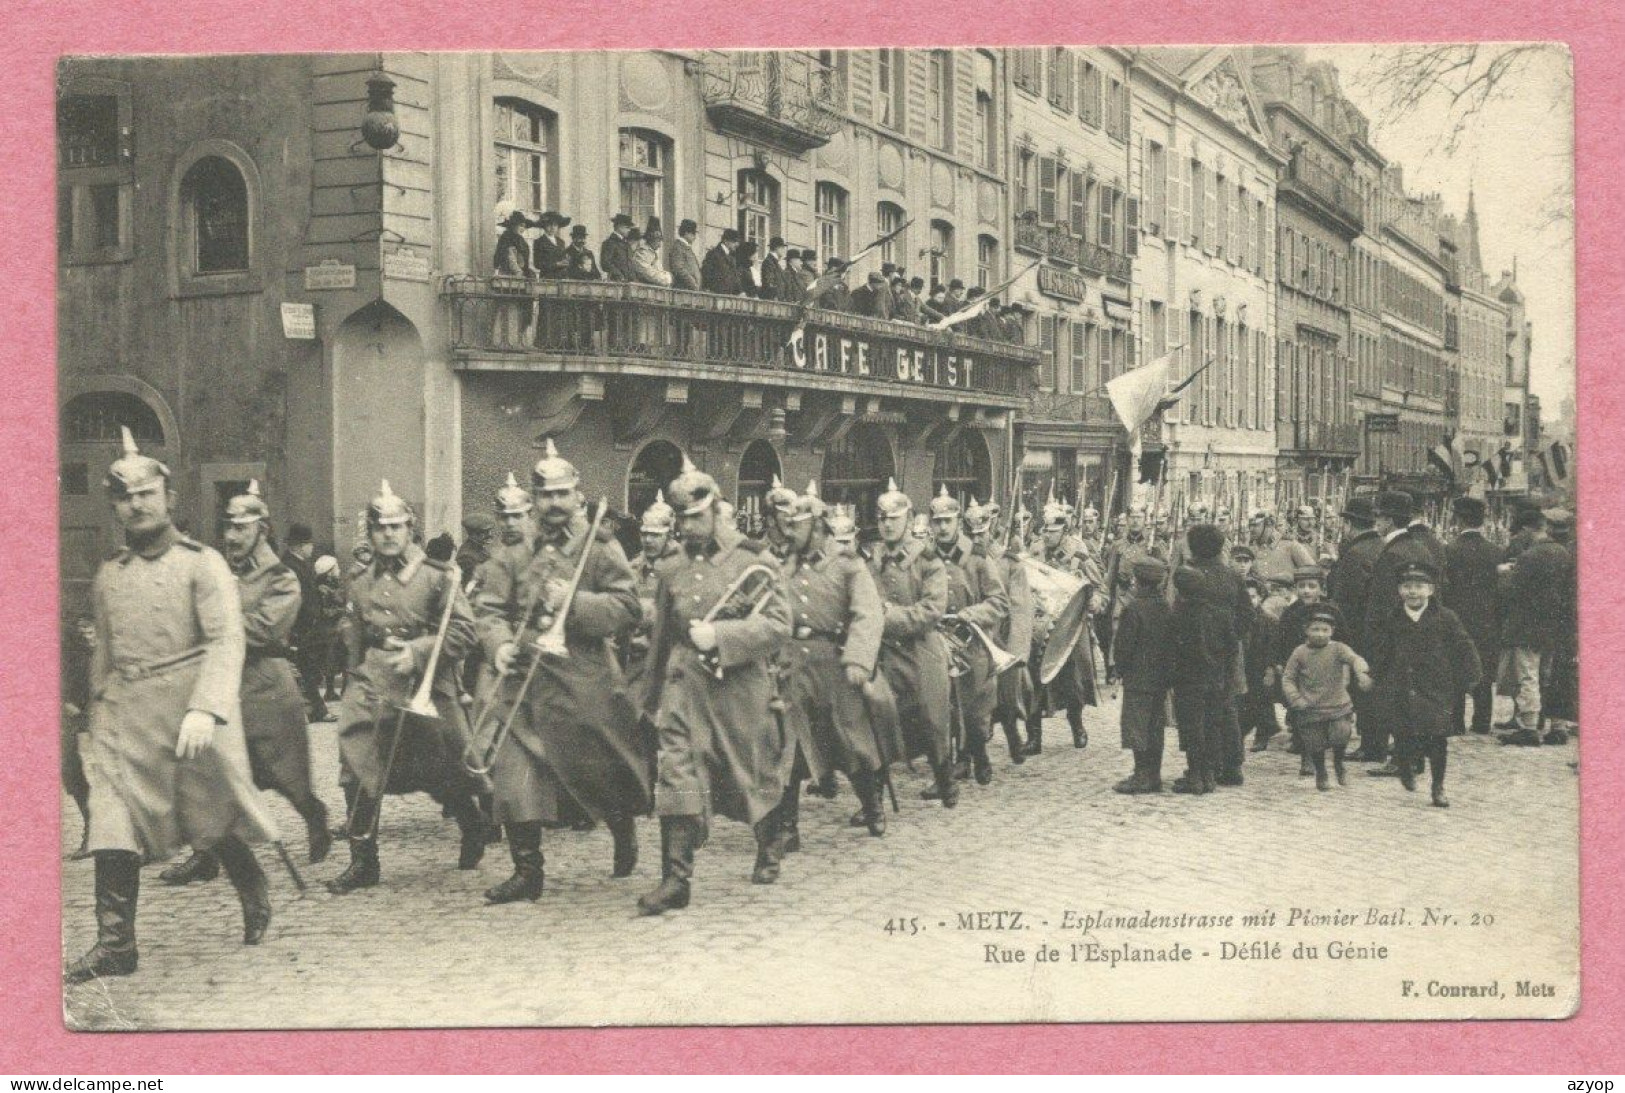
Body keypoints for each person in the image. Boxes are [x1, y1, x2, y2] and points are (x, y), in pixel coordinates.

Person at [66, 430, 280, 984]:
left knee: (210, 816)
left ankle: (249, 881)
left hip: (188, 711)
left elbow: (226, 640)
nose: (136, 504)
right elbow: (106, 653)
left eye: (146, 493)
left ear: (169, 498)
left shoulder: (202, 564)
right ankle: (117, 945)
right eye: (124, 495)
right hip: (126, 716)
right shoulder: (111, 574)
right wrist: (95, 714)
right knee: (111, 823)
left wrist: (206, 709)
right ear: (114, 506)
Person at [471, 441, 648, 903]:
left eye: (562, 494)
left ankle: (621, 825)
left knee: (598, 773)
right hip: (525, 679)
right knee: (515, 774)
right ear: (534, 497)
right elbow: (487, 608)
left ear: (576, 495)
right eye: (545, 495)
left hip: (583, 678)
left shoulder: (600, 547)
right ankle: (528, 871)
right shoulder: (513, 552)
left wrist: (574, 604)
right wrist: (500, 644)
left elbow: (628, 607)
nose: (553, 503)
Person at [636, 459, 791, 914]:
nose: (687, 526)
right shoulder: (671, 568)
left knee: (748, 776)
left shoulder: (752, 559)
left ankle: (769, 841)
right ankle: (676, 880)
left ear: (716, 510)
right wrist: (649, 699)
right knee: (676, 770)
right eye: (681, 519)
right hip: (685, 688)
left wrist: (723, 637)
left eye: (695, 517)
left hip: (739, 691)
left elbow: (778, 624)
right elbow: (662, 636)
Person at [163, 480, 332, 887]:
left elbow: (263, 630)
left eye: (241, 528)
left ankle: (314, 815)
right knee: (212, 775)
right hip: (222, 687)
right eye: (227, 527)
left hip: (265, 689)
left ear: (263, 529)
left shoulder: (282, 578)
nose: (231, 536)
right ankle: (205, 855)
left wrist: (211, 627)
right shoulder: (217, 570)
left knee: (286, 777)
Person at [327, 480, 488, 894]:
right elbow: (356, 629)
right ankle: (364, 859)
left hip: (428, 682)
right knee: (355, 763)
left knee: (446, 767)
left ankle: (472, 822)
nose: (387, 534)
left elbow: (464, 633)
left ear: (410, 530)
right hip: (375, 681)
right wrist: (350, 641)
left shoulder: (438, 578)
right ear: (370, 533)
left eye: (396, 526)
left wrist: (418, 651)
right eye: (380, 527)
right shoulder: (361, 580)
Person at [774, 481, 887, 858]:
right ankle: (788, 827)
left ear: (819, 527)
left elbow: (867, 614)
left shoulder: (848, 567)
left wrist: (858, 659)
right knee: (789, 744)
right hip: (793, 665)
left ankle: (872, 804)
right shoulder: (781, 568)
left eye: (798, 525)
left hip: (833, 664)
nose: (789, 531)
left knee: (850, 741)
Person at [865, 478, 957, 808]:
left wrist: (887, 616)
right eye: (881, 518)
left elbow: (932, 611)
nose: (887, 525)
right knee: (874, 720)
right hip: (883, 653)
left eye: (894, 518)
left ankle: (944, 776)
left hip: (921, 650)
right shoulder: (870, 561)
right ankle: (873, 800)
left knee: (932, 721)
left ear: (908, 519)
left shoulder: (927, 560)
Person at [1367, 562, 1481, 807]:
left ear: (1430, 590)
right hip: (1401, 686)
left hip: (1435, 688)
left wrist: (1472, 675)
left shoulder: (1445, 617)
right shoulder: (1393, 617)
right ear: (1399, 590)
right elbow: (1383, 651)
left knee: (1437, 738)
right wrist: (1375, 674)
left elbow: (1464, 645)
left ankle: (1438, 786)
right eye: (1407, 586)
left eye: (1419, 587)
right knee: (1403, 733)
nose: (1413, 592)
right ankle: (1405, 766)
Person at [926, 486, 1008, 790]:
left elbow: (999, 602)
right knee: (942, 708)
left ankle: (978, 752)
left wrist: (972, 614)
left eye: (948, 521)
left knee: (972, 711)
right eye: (938, 521)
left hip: (971, 643)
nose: (943, 527)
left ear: (958, 522)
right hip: (936, 643)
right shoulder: (925, 557)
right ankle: (948, 770)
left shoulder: (976, 557)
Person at [1170, 524, 1249, 794]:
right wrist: (1229, 638)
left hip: (1191, 657)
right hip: (1225, 656)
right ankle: (1221, 769)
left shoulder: (1188, 575)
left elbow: (1179, 617)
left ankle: (1198, 773)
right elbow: (1247, 616)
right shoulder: (1232, 577)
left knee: (1193, 717)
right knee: (1220, 712)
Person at [1361, 491, 1436, 774]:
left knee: (1397, 697)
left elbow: (1380, 604)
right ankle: (1414, 754)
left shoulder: (1391, 553)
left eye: (1379, 518)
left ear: (1389, 521)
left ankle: (1404, 759)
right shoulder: (1420, 547)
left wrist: (1374, 642)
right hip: (1423, 631)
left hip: (1395, 636)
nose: (1376, 523)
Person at [969, 499, 1035, 764]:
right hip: (972, 639)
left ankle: (1013, 738)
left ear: (991, 528)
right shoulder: (965, 561)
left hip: (1001, 640)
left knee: (1007, 698)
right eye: (972, 533)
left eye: (981, 532)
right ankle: (970, 756)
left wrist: (1017, 651)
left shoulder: (1008, 563)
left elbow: (1021, 608)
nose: (977, 538)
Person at [1281, 607, 1372, 791]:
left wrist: (1361, 671)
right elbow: (1288, 678)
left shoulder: (1338, 648)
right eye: (1315, 629)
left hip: (1337, 705)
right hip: (1310, 707)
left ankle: (1339, 763)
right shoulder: (1299, 652)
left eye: (1325, 630)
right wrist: (1295, 698)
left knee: (1341, 734)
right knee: (1315, 743)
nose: (1320, 634)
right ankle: (1321, 771)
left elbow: (1354, 658)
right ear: (1306, 631)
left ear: (1332, 632)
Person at [1500, 508, 1571, 741]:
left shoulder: (1531, 556)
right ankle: (1558, 726)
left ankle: (1529, 725)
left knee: (1528, 673)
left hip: (1528, 625)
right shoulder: (1566, 555)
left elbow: (1511, 591)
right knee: (1552, 675)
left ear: (1545, 529)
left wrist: (1506, 575)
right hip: (1557, 625)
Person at [1113, 559, 1175, 794]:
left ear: (1138, 581)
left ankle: (1141, 776)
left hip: (1138, 678)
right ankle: (1154, 774)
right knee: (1155, 726)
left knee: (1137, 726)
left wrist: (1119, 669)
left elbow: (1124, 645)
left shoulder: (1134, 609)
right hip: (1160, 678)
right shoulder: (1165, 607)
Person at [1443, 496, 1503, 735]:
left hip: (1457, 619)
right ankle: (1482, 721)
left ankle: (1456, 722)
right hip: (1488, 620)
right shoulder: (1496, 551)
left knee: (1456, 667)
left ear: (1459, 520)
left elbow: (1446, 587)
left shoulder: (1449, 550)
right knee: (1484, 670)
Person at [701, 228, 745, 295]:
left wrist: (740, 292)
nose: (737, 244)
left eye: (738, 242)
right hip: (716, 297)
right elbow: (706, 274)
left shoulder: (732, 258)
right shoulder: (713, 254)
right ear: (725, 240)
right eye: (734, 241)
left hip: (728, 298)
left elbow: (735, 277)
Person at [631, 218, 673, 287]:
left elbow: (657, 271)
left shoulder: (652, 253)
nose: (659, 245)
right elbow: (647, 273)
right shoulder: (642, 253)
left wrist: (667, 275)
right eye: (658, 241)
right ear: (651, 239)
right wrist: (666, 279)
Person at [532, 211, 571, 279]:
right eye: (549, 225)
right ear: (544, 226)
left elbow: (563, 258)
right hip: (547, 278)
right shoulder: (539, 242)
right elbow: (537, 264)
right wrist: (556, 264)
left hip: (561, 278)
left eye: (555, 225)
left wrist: (566, 262)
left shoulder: (561, 242)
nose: (552, 228)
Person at [599, 213, 637, 282]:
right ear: (619, 226)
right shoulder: (609, 243)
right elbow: (605, 263)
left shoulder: (626, 244)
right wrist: (619, 275)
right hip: (616, 284)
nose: (629, 230)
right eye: (627, 227)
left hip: (628, 284)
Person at [669, 219, 703, 290]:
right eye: (693, 233)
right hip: (683, 290)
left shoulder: (686, 247)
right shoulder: (678, 247)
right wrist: (693, 284)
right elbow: (678, 269)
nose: (695, 237)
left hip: (691, 291)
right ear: (686, 233)